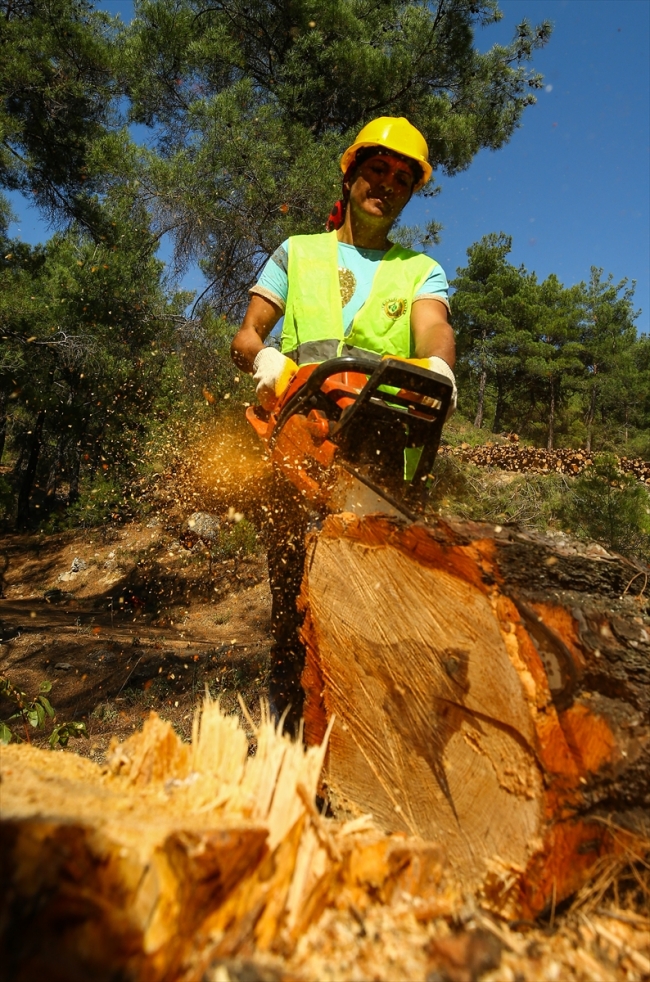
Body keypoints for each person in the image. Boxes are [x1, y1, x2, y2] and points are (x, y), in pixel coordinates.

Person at [231, 116, 456, 731]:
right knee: (290, 609)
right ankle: (285, 742)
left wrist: (439, 364)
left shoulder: (421, 270)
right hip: (300, 441)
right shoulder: (298, 251)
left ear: (411, 192)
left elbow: (434, 326)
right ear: (353, 172)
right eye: (377, 169)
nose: (386, 183)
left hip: (378, 454)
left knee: (364, 612)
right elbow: (248, 332)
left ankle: (354, 756)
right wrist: (268, 359)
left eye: (402, 178)